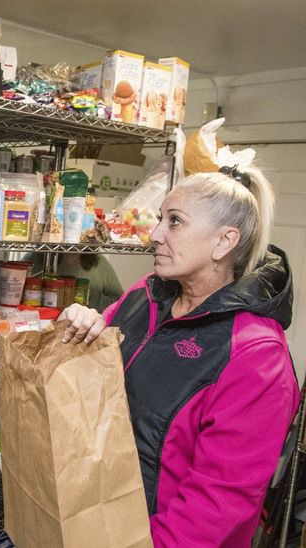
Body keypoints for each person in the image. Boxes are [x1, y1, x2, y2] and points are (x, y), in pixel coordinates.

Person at [58, 165, 299, 546]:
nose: (155, 235)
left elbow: (219, 501)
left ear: (225, 241)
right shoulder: (145, 296)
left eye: (174, 222)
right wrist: (83, 322)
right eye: (160, 220)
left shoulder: (256, 354)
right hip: (98, 521)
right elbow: (90, 376)